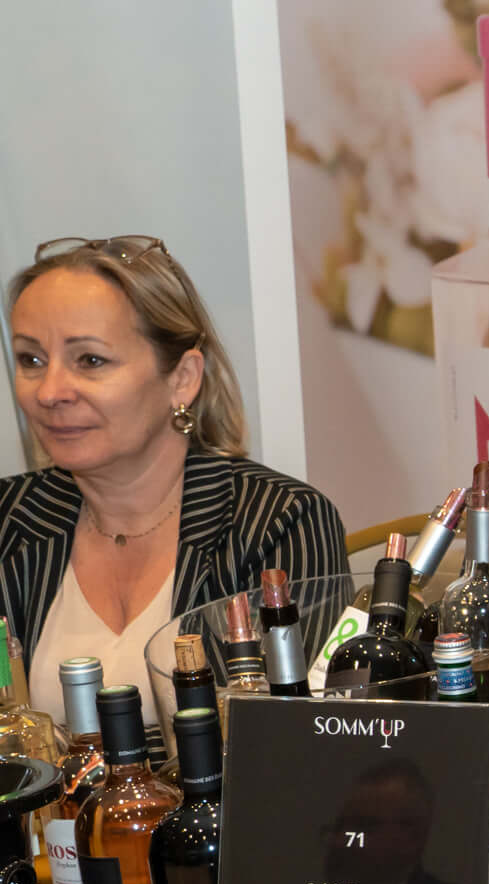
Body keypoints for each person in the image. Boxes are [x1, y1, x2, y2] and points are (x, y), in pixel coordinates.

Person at [0, 236, 347, 694]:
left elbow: (294, 722)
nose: (49, 392)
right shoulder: (9, 517)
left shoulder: (278, 520)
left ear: (182, 379)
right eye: (31, 359)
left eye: (90, 360)